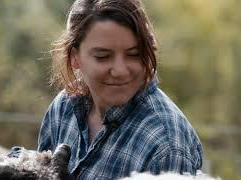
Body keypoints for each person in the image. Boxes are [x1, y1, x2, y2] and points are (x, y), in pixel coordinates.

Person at [37, 0, 203, 179]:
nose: (121, 71)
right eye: (103, 56)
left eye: (134, 54)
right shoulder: (64, 107)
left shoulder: (166, 146)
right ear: (75, 58)